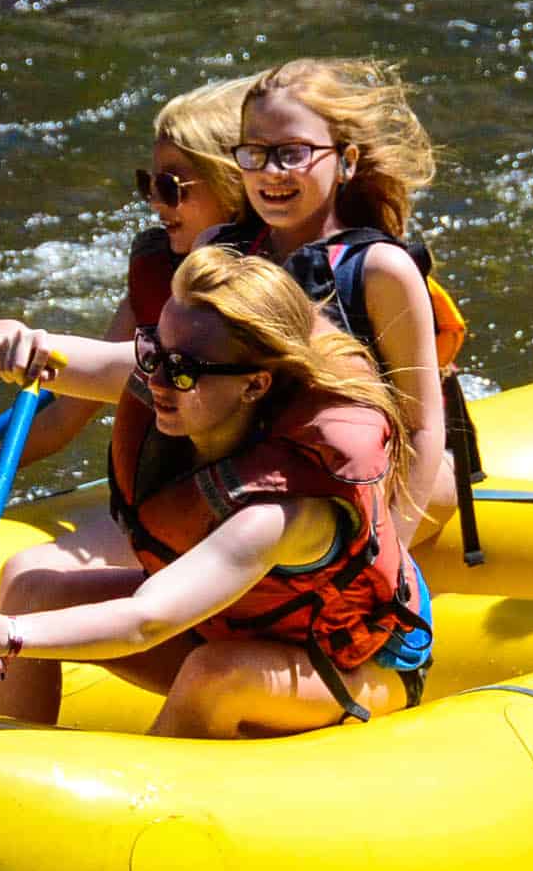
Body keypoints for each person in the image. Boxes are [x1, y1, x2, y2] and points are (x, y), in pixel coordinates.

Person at [0, 248, 432, 737]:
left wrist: (9, 635)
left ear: (255, 387)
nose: (158, 382)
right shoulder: (186, 369)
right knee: (33, 590)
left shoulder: (284, 508)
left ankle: (137, 809)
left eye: (181, 372)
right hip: (232, 624)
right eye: (151, 353)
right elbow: (29, 351)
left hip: (349, 666)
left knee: (213, 674)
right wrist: (6, 343)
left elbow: (147, 619)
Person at [0, 76, 252, 510]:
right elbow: (63, 417)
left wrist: (36, 346)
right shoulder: (152, 273)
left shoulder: (261, 289)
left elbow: (109, 371)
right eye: (148, 185)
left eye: (171, 188)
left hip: (236, 503)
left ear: (230, 183)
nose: (154, 202)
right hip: (166, 496)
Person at [199, 59, 476, 550]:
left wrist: (387, 556)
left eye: (293, 153)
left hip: (381, 473)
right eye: (254, 153)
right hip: (273, 466)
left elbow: (423, 427)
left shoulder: (379, 269)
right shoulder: (219, 252)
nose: (271, 171)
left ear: (346, 161)